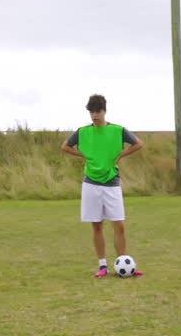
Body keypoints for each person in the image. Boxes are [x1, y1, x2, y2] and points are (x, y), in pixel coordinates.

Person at [61, 94, 145, 278]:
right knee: (97, 226)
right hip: (90, 183)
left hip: (112, 182)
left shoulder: (118, 130)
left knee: (119, 225)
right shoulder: (82, 132)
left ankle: (123, 262)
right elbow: (65, 146)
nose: (94, 115)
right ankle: (102, 265)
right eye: (91, 112)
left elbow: (138, 143)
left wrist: (122, 154)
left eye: (98, 111)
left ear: (104, 111)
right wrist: (82, 155)